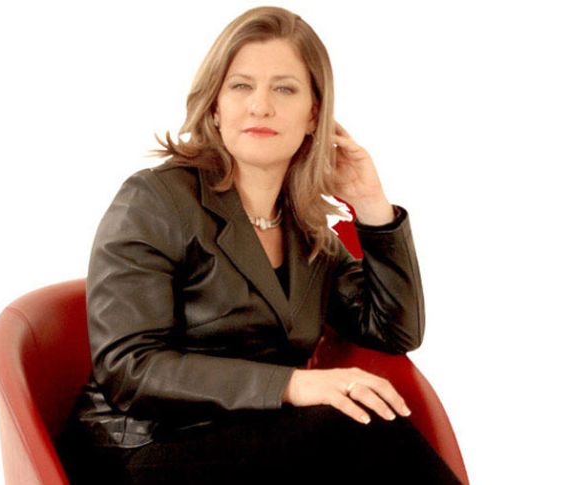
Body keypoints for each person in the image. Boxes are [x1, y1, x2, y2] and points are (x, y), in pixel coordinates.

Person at [56, 6, 463, 485]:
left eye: (284, 89)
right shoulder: (155, 200)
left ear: (314, 115)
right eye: (241, 86)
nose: (260, 106)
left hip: (250, 442)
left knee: (367, 422)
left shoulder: (304, 227)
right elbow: (130, 368)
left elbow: (393, 331)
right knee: (357, 431)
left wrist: (372, 206)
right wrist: (292, 384)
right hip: (139, 450)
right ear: (215, 106)